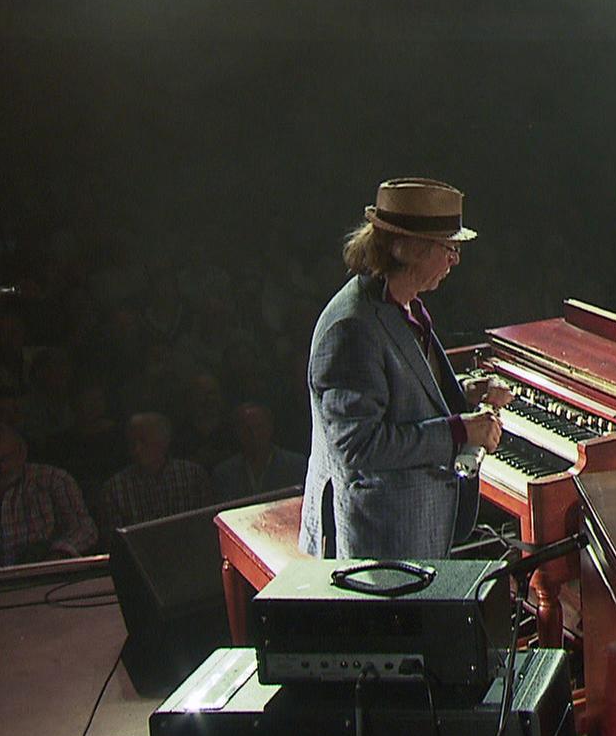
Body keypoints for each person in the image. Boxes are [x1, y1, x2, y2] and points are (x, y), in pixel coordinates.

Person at [299, 178, 506, 560]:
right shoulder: (352, 328)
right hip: (377, 542)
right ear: (407, 249)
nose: (455, 259)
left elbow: (402, 392)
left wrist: (461, 393)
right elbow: (358, 446)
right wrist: (459, 430)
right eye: (448, 247)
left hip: (411, 528)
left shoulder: (402, 304)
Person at [0, 422, 97, 571]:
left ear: (22, 451)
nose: (2, 468)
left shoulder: (53, 481)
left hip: (49, 583)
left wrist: (59, 553)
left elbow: (85, 528)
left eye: (6, 459)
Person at [100, 412, 214, 529]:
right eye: (132, 443)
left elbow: (208, 525)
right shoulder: (115, 489)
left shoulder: (193, 476)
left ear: (164, 440)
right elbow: (114, 541)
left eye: (143, 441)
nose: (137, 449)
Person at [212, 403, 308, 501]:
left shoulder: (295, 465)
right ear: (237, 432)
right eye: (247, 429)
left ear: (270, 427)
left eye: (258, 427)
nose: (254, 434)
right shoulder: (225, 474)